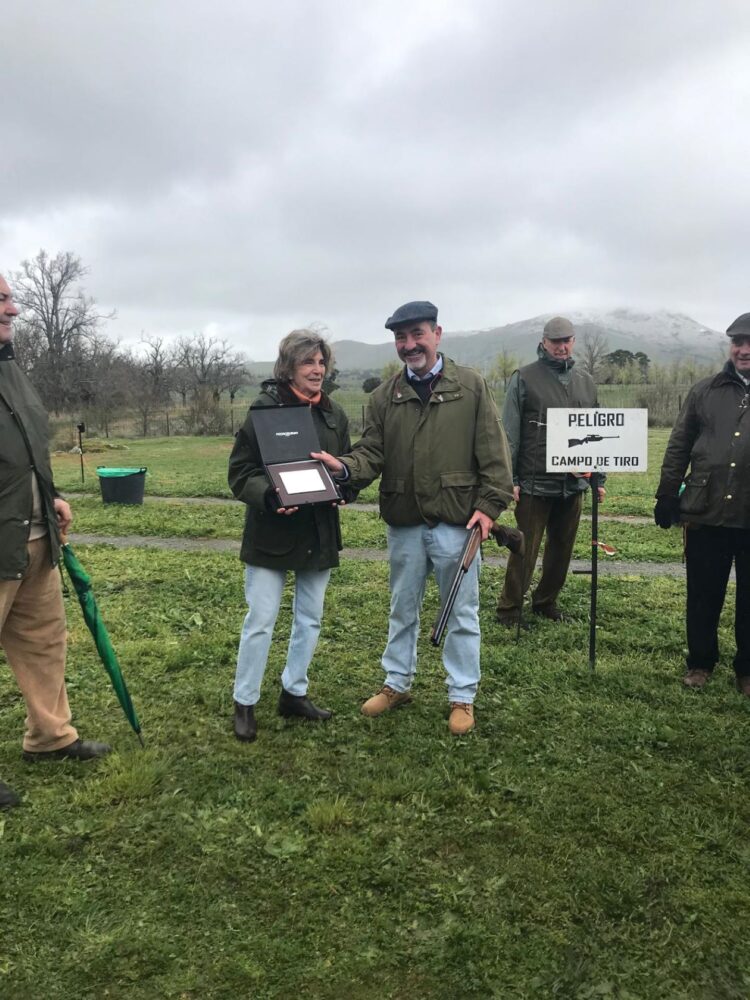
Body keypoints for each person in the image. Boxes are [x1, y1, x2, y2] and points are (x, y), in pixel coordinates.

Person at [314, 300, 513, 735]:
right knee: (402, 608)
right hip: (404, 524)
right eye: (401, 338)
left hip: (457, 523)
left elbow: (495, 454)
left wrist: (489, 506)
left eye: (417, 334)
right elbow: (371, 453)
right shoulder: (383, 397)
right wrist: (343, 467)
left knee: (461, 613)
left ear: (436, 334)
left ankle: (462, 695)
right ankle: (397, 684)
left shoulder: (472, 386)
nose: (409, 345)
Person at [0, 274, 110, 811]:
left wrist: (54, 495)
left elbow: (25, 451)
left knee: (44, 642)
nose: (14, 309)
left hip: (34, 535)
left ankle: (49, 736)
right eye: (1, 299)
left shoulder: (10, 369)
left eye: (10, 298)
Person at [228, 329, 355, 742]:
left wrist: (343, 487)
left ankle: (294, 692)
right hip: (272, 532)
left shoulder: (334, 414)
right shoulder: (264, 411)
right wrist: (269, 495)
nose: (317, 370)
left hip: (318, 531)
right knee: (261, 620)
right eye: (307, 362)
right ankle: (245, 701)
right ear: (288, 367)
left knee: (310, 618)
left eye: (321, 362)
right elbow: (240, 473)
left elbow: (345, 465)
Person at [655, 314, 750, 695]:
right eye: (738, 342)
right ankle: (700, 662)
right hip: (705, 509)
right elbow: (679, 444)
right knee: (703, 594)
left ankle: (747, 670)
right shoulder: (704, 391)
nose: (744, 350)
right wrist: (666, 493)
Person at [495, 316, 605, 625]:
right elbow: (510, 433)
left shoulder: (586, 381)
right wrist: (512, 479)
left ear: (573, 341)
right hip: (535, 482)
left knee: (562, 549)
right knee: (524, 548)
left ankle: (545, 601)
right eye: (555, 341)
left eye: (566, 340)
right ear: (544, 342)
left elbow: (596, 431)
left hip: (574, 483)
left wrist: (597, 478)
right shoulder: (524, 378)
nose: (561, 346)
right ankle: (509, 609)